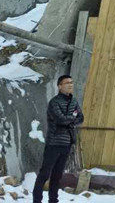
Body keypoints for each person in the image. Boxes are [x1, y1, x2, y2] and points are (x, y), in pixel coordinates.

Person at [33, 75, 84, 203]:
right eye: (67, 83)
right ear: (60, 86)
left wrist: (69, 119)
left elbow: (81, 118)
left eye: (71, 82)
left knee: (57, 176)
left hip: (67, 143)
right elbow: (60, 119)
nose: (70, 85)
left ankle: (53, 201)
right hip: (54, 143)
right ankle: (37, 201)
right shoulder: (54, 102)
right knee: (45, 174)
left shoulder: (74, 102)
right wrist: (72, 118)